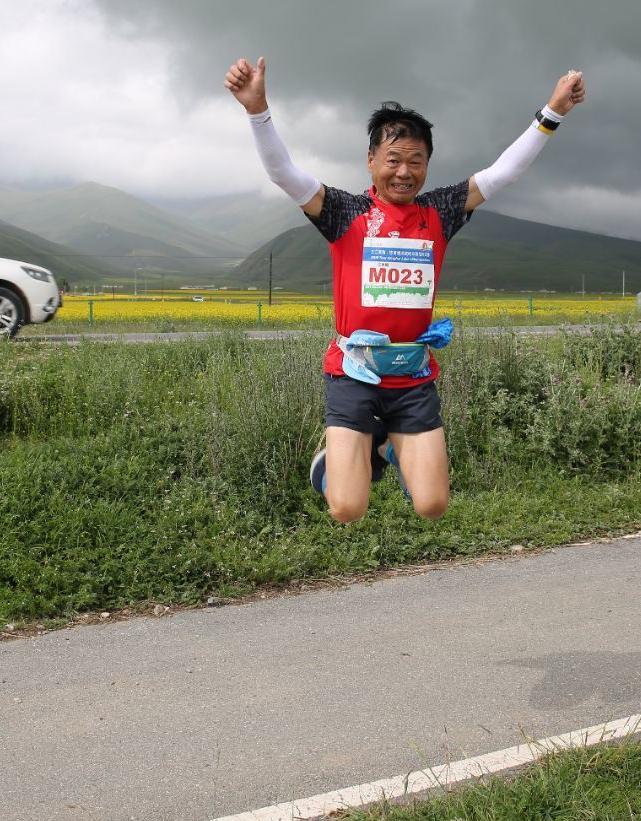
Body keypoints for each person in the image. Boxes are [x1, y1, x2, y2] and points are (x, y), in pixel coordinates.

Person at [224, 56, 585, 522]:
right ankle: (345, 457)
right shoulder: (345, 212)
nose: (404, 171)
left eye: (416, 161)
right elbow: (283, 173)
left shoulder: (439, 212)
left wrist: (552, 112)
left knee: (432, 505)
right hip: (354, 374)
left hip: (412, 377)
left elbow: (502, 173)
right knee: (347, 509)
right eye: (393, 159)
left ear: (427, 165)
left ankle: (383, 446)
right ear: (371, 161)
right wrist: (257, 110)